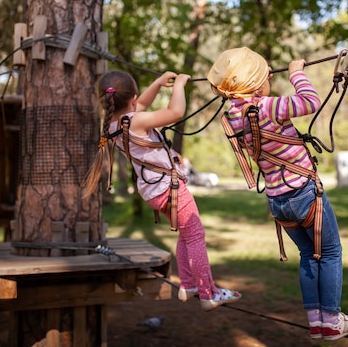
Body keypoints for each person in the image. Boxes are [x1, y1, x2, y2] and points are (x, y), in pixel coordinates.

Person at [207, 47, 348, 341]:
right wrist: (296, 73)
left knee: (308, 254)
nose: (270, 76)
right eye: (265, 73)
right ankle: (331, 321)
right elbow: (310, 101)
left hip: (278, 201)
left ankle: (316, 322)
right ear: (256, 83)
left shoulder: (230, 118)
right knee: (330, 252)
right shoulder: (266, 107)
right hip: (304, 192)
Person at [83, 70, 241, 311]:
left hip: (155, 192)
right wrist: (179, 85)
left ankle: (188, 285)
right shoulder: (134, 121)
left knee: (186, 235)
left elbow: (142, 103)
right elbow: (175, 112)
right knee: (196, 236)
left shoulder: (114, 125)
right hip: (170, 188)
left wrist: (157, 83)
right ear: (132, 99)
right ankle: (209, 293)